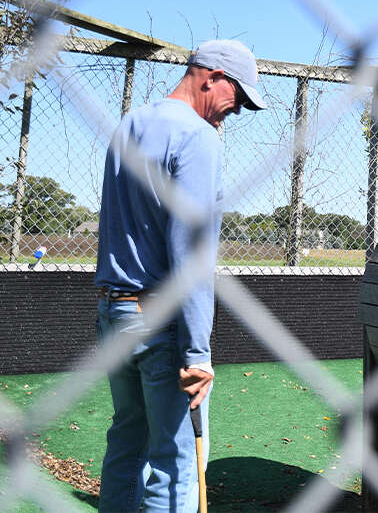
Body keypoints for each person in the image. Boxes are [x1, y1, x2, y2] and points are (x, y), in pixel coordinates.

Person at [95, 40, 265, 511]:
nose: (235, 112)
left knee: (127, 444)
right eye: (237, 97)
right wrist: (196, 351)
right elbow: (191, 254)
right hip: (160, 322)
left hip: (114, 311)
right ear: (210, 77)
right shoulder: (198, 136)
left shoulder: (130, 123)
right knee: (176, 464)